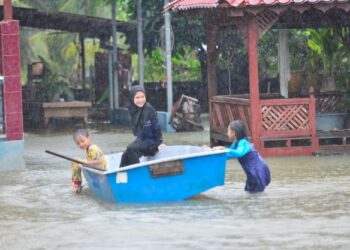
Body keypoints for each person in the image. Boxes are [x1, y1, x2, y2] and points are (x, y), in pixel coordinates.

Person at [209, 120, 271, 192]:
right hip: (251, 172)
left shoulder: (243, 142)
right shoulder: (235, 144)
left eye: (228, 131)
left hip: (257, 170)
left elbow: (239, 153)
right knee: (250, 194)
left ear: (234, 132)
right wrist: (212, 153)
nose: (227, 133)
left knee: (254, 195)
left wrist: (224, 148)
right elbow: (228, 156)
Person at [120, 85, 165, 167]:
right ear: (132, 98)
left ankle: (139, 173)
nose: (140, 100)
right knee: (125, 155)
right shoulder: (133, 109)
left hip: (151, 143)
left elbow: (156, 127)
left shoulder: (148, 109)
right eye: (137, 98)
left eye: (142, 97)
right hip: (141, 140)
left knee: (131, 148)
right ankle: (120, 176)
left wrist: (159, 142)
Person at [71, 129, 107, 193]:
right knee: (75, 160)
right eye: (78, 144)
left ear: (89, 138)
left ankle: (77, 185)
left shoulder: (93, 148)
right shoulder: (88, 148)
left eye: (82, 141)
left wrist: (85, 163)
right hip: (95, 169)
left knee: (76, 162)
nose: (81, 144)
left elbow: (100, 161)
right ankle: (77, 184)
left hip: (100, 170)